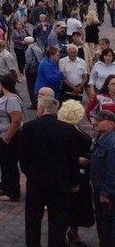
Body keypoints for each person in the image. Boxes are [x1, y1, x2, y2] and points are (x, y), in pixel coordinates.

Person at [19, 95, 77, 247]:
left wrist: (30, 173)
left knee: (32, 218)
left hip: (36, 182)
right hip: (60, 183)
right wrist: (73, 181)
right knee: (58, 219)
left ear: (41, 109)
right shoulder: (67, 129)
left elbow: (23, 156)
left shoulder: (30, 127)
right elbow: (73, 159)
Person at [57, 100, 95, 246]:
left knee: (76, 207)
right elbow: (64, 153)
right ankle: (70, 234)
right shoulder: (69, 131)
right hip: (75, 175)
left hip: (81, 175)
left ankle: (73, 233)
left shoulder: (74, 127)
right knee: (72, 207)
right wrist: (77, 159)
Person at [0, 74, 23, 202]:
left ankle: (13, 192)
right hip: (0, 137)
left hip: (8, 138)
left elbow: (16, 121)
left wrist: (7, 137)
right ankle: (4, 186)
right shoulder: (6, 97)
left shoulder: (12, 99)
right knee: (4, 163)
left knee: (10, 164)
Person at [91, 108, 115, 247]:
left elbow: (112, 172)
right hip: (98, 189)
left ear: (111, 124)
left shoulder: (112, 144)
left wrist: (106, 193)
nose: (95, 122)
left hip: (106, 193)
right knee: (101, 222)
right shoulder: (99, 136)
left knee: (107, 225)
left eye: (100, 120)